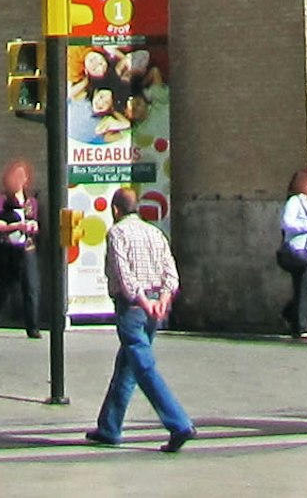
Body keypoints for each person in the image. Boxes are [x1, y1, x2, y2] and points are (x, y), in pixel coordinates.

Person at [85, 188, 193, 453]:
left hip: (133, 307)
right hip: (155, 303)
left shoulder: (117, 233)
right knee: (127, 365)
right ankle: (109, 426)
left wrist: (143, 301)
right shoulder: (155, 233)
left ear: (115, 211)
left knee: (143, 366)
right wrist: (162, 301)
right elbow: (171, 273)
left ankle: (178, 423)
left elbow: (124, 276)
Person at [0, 159, 40, 338]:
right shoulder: (2, 199)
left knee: (31, 286)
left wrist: (33, 227)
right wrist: (14, 227)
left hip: (27, 248)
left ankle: (32, 327)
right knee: (5, 286)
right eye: (15, 176)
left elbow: (35, 222)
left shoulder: (31, 202)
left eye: (22, 176)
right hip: (7, 249)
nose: (18, 180)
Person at [276, 166, 307, 339]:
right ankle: (301, 327)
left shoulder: (305, 202)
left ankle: (290, 314)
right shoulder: (295, 202)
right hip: (296, 251)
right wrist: (306, 226)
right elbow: (286, 223)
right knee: (303, 289)